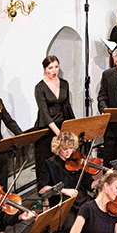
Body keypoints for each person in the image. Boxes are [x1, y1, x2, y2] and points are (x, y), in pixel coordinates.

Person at [33, 55, 76, 186]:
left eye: (56, 67)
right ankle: (45, 199)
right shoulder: (39, 88)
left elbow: (67, 106)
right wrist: (58, 134)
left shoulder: (64, 83)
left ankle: (63, 190)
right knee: (45, 163)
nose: (54, 70)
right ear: (44, 69)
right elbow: (44, 113)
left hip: (62, 125)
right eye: (50, 68)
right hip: (46, 129)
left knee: (62, 161)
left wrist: (72, 129)